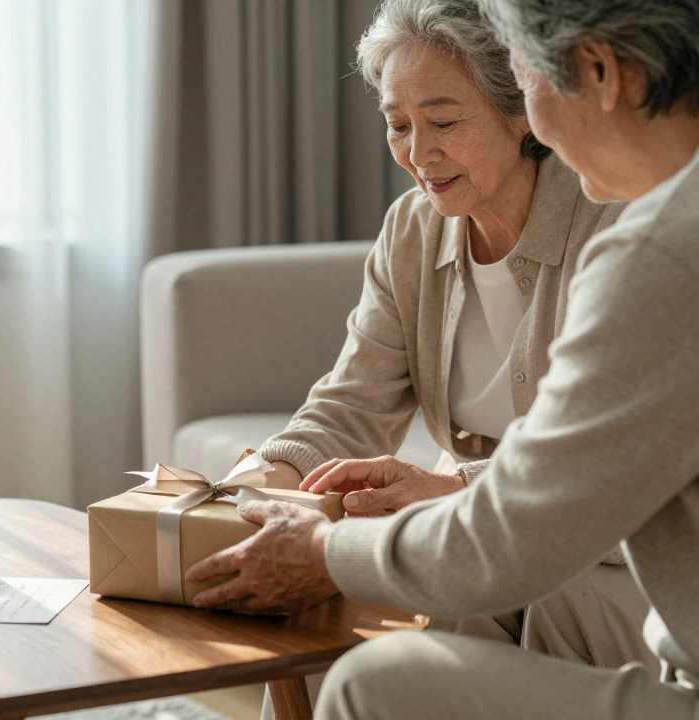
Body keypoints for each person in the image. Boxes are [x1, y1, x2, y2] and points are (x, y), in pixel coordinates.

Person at [187, 0, 699, 718]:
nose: (529, 108)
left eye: (524, 73)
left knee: (375, 682)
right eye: (398, 122)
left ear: (596, 71)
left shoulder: (669, 249)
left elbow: (516, 534)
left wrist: (324, 551)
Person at [255, 0, 652, 674]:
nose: (417, 153)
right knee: (338, 614)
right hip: (483, 533)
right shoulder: (412, 230)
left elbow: (618, 463)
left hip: (607, 550)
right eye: (397, 124)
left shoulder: (612, 226)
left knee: (485, 584)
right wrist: (258, 485)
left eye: (442, 122)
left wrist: (453, 491)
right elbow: (352, 404)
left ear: (520, 110)